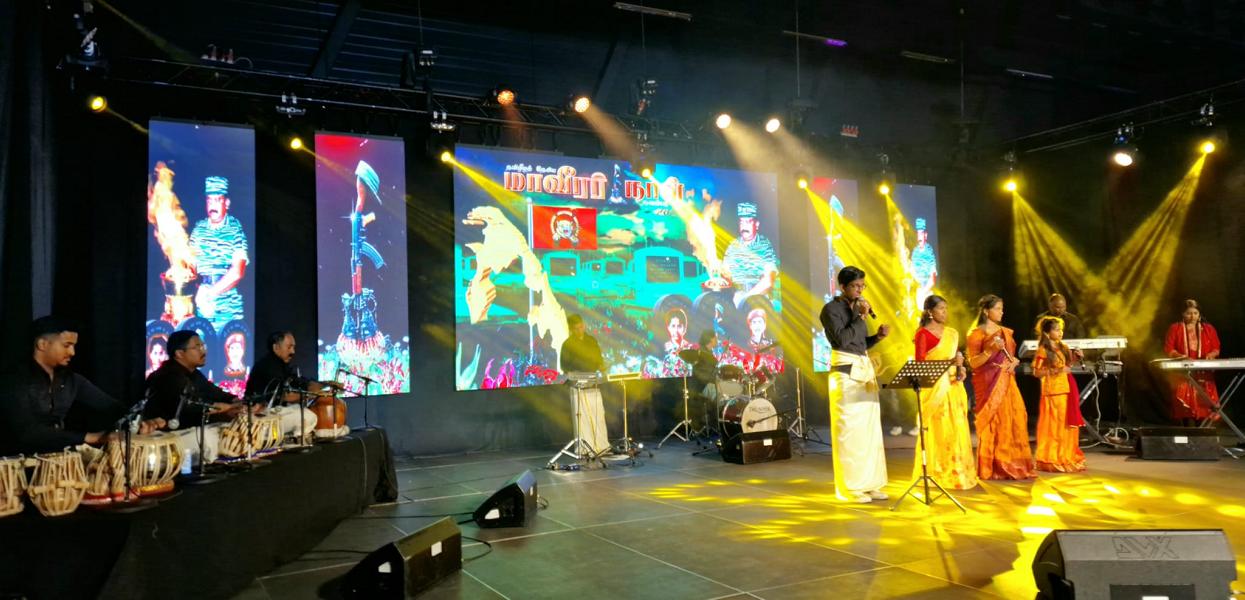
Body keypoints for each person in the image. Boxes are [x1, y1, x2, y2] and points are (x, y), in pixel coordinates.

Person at [0, 317, 163, 455]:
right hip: (15, 462)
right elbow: (27, 432)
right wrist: (93, 437)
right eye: (66, 345)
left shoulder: (70, 380)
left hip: (56, 458)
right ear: (42, 344)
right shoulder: (13, 379)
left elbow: (112, 407)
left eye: (73, 346)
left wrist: (142, 420)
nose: (72, 352)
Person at [819, 266, 890, 503]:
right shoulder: (830, 310)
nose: (860, 290)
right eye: (855, 286)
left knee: (869, 431)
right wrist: (859, 316)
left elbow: (859, 343)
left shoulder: (858, 308)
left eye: (862, 286)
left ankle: (870, 483)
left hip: (863, 370)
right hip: (845, 374)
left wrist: (877, 337)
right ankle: (850, 488)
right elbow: (842, 340)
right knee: (849, 431)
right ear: (843, 287)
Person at [967, 294, 1035, 480]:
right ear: (986, 311)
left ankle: (1014, 464)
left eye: (1002, 309)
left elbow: (1010, 357)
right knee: (995, 422)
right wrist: (990, 350)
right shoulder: (976, 334)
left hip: (1007, 381)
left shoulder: (1005, 332)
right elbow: (973, 363)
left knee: (1015, 418)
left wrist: (1015, 361)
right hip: (989, 383)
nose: (1001, 312)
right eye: (997, 308)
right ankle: (993, 466)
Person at [912, 295, 977, 489]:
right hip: (935, 391)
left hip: (953, 388)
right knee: (940, 431)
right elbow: (921, 367)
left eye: (946, 308)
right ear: (930, 312)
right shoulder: (923, 334)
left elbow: (956, 361)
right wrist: (950, 363)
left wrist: (961, 369)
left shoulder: (952, 333)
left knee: (956, 430)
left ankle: (957, 472)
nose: (945, 312)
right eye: (941, 308)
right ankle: (938, 472)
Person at [144, 330, 243, 428]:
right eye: (197, 347)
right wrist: (229, 408)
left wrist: (235, 400)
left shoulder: (194, 373)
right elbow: (194, 408)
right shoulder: (168, 376)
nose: (204, 351)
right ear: (179, 354)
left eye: (203, 346)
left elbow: (214, 392)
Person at [190, 175, 250, 335]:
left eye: (217, 200)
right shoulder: (199, 229)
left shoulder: (235, 229)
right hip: (201, 305)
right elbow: (190, 264)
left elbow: (237, 272)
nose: (212, 206)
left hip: (227, 307)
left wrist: (210, 294)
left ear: (227, 203)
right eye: (209, 200)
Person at [1032, 316, 1087, 472]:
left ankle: (1066, 455)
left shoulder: (1063, 347)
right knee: (1055, 426)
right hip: (1053, 392)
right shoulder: (1043, 350)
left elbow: (1068, 366)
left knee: (1066, 425)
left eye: (1061, 329)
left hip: (1066, 389)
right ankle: (1053, 458)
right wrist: (1056, 370)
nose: (1060, 332)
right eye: (1056, 329)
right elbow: (1036, 372)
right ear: (1047, 333)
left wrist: (1076, 358)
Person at [1163, 299, 1221, 423]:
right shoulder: (1175, 328)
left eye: (1195, 313)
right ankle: (1188, 429)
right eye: (1189, 313)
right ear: (1182, 314)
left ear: (1199, 314)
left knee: (1204, 401)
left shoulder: (1208, 329)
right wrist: (1181, 356)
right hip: (1183, 371)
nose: (1192, 316)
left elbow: (1216, 348)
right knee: (1184, 403)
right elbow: (1169, 349)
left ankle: (1202, 428)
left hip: (1203, 371)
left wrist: (1211, 354)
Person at [722, 202, 778, 307]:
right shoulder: (733, 246)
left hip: (758, 301)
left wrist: (746, 299)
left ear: (756, 225)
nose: (744, 226)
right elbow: (725, 274)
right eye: (742, 222)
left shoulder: (764, 245)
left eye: (748, 222)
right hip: (735, 300)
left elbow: (768, 281)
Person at [910, 218, 938, 315]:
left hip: (927, 291)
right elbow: (912, 270)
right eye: (918, 234)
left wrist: (924, 291)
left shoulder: (929, 252)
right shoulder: (915, 252)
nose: (919, 237)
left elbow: (933, 278)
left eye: (921, 233)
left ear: (925, 235)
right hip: (918, 290)